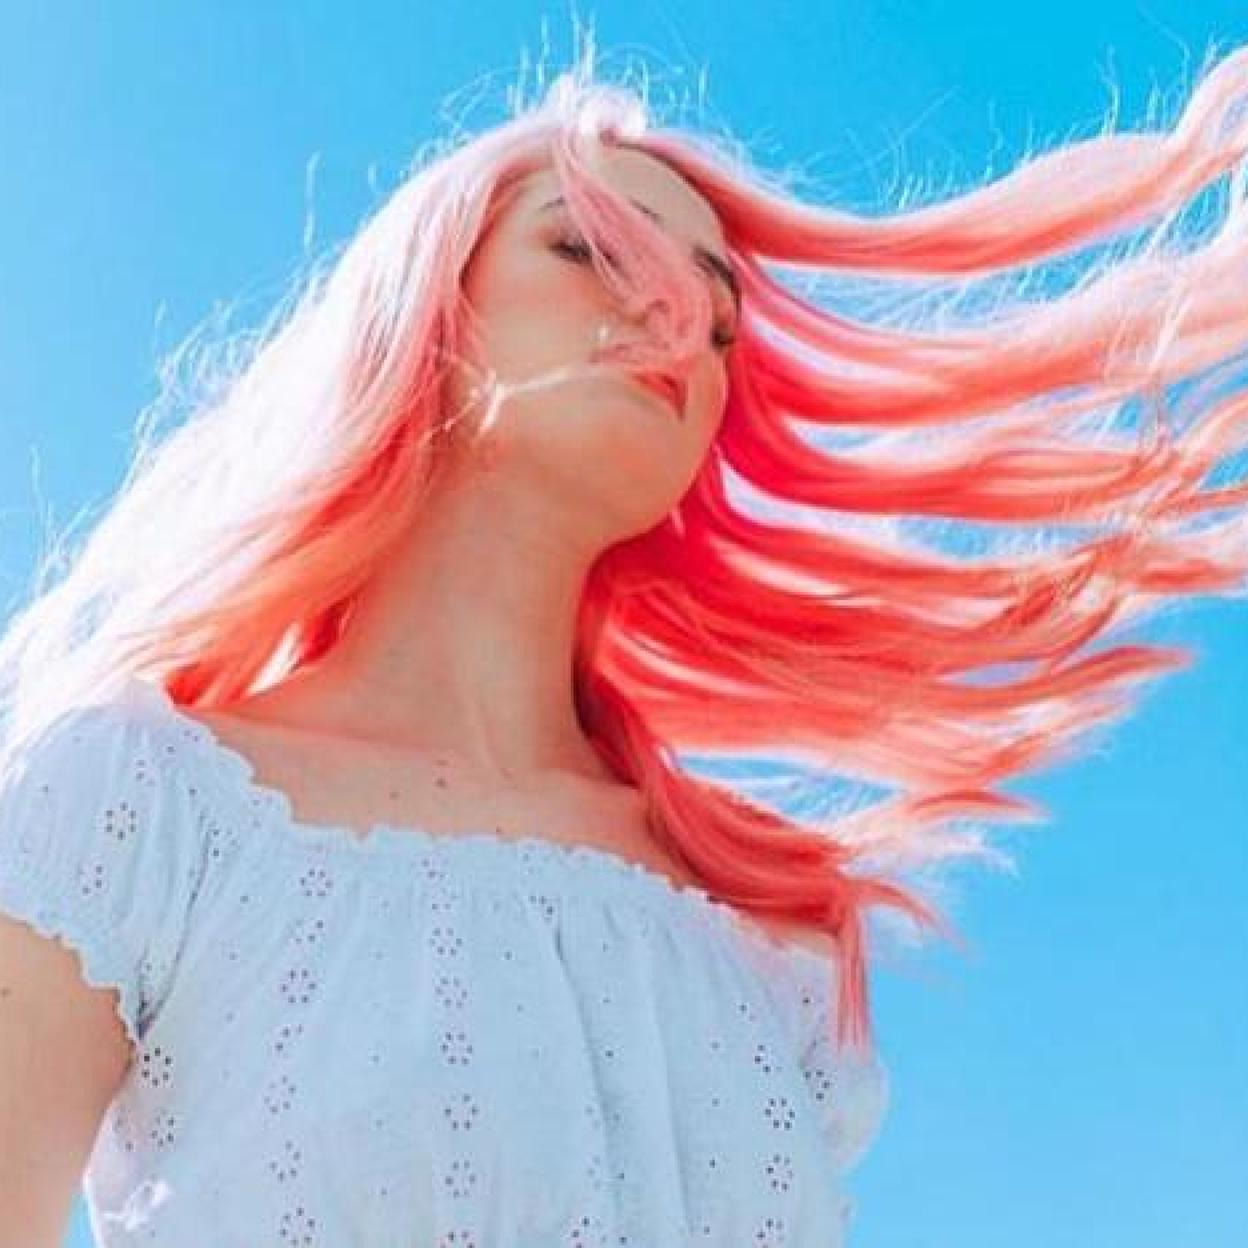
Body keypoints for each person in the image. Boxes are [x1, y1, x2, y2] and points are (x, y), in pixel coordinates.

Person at [3, 40, 1248, 1248]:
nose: (671, 319)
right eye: (591, 247)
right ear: (425, 303)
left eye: (719, 325)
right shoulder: (133, 804)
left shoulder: (760, 932)